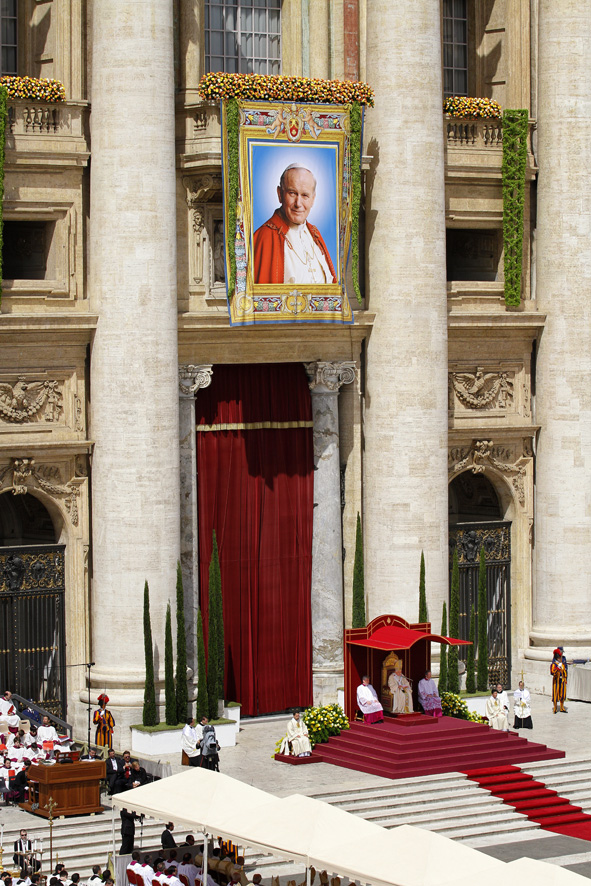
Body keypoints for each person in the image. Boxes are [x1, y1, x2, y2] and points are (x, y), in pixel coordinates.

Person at [253, 164, 337, 285]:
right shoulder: (265, 236)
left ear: (313, 199)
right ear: (280, 194)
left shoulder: (315, 234)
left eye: (305, 195)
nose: (298, 203)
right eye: (292, 193)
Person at [551, 647, 568, 713]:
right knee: (555, 694)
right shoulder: (554, 664)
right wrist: (557, 669)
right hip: (556, 681)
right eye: (559, 658)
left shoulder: (562, 664)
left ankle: (562, 707)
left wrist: (565, 678)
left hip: (562, 681)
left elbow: (565, 672)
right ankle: (555, 708)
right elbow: (552, 672)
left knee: (562, 694)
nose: (560, 659)